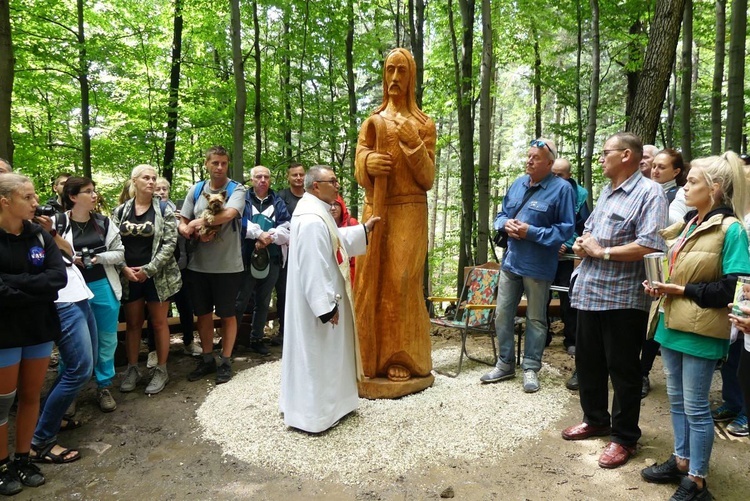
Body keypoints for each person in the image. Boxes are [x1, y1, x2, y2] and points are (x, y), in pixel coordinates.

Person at [640, 151, 750, 501]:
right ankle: (682, 459)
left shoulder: (731, 230)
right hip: (671, 321)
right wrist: (661, 283)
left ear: (715, 188)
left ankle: (698, 481)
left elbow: (736, 285)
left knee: (696, 406)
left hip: (702, 329)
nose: (684, 186)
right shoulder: (691, 221)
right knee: (676, 400)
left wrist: (680, 289)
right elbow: (684, 271)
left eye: (691, 181)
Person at [561, 132, 667, 470]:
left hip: (622, 298)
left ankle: (624, 437)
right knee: (588, 363)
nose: (601, 158)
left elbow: (650, 245)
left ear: (626, 155)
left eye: (606, 152)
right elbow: (590, 234)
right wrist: (582, 244)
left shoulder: (650, 193)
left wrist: (602, 252)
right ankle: (595, 420)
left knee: (623, 370)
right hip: (590, 293)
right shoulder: (607, 192)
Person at [354, 48, 436, 393]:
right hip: (376, 208)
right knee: (371, 281)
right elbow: (360, 163)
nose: (395, 78)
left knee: (402, 280)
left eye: (402, 71)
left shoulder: (423, 124)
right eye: (390, 70)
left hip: (410, 210)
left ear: (412, 77)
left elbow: (428, 178)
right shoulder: (372, 121)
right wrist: (368, 162)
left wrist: (412, 142)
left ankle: (402, 357)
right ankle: (367, 357)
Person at [280, 166, 379, 433]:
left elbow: (333, 241)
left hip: (319, 300)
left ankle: (336, 406)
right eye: (332, 181)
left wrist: (363, 230)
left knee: (326, 356)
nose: (337, 186)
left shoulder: (315, 211)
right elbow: (315, 264)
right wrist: (325, 307)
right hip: (317, 307)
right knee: (317, 356)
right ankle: (315, 416)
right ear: (315, 186)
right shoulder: (312, 219)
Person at [479, 139, 575, 393]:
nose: (529, 160)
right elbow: (500, 215)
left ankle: (531, 367)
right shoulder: (518, 183)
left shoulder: (562, 189)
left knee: (536, 319)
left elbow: (565, 230)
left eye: (535, 157)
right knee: (502, 314)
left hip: (539, 266)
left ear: (549, 163)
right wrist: (504, 225)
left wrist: (530, 232)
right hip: (511, 262)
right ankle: (505, 363)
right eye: (529, 156)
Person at [0, 173, 66, 495]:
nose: (36, 202)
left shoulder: (39, 235)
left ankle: (23, 458)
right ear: (5, 201)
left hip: (39, 329)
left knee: (30, 396)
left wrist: (15, 283)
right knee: (1, 403)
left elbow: (59, 278)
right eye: (27, 197)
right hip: (4, 333)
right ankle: (1, 465)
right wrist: (35, 288)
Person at [179, 145, 246, 385]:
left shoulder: (236, 189)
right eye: (215, 163)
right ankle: (207, 358)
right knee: (203, 314)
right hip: (199, 266)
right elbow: (182, 221)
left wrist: (197, 222)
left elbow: (228, 215)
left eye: (224, 163)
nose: (219, 167)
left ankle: (226, 360)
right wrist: (189, 230)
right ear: (207, 164)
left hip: (228, 266)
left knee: (227, 314)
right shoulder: (196, 190)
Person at [30, 215, 94, 465]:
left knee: (79, 366)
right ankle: (40, 440)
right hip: (60, 301)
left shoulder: (36, 227)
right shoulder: (13, 233)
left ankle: (49, 417)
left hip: (79, 293)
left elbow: (70, 252)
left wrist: (51, 233)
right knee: (79, 369)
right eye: (27, 197)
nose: (35, 203)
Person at [114, 165, 182, 396]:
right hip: (129, 276)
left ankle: (161, 369)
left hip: (157, 277)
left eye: (154, 178)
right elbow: (112, 242)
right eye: (146, 178)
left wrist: (149, 269)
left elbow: (170, 243)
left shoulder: (164, 210)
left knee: (159, 323)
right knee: (133, 324)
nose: (151, 182)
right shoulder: (121, 211)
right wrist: (123, 268)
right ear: (134, 180)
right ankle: (133, 369)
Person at [59, 177, 125, 413]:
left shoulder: (104, 223)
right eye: (88, 191)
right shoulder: (58, 223)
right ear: (73, 197)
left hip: (102, 285)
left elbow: (119, 253)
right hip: (70, 292)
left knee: (107, 339)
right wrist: (70, 259)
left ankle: (103, 385)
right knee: (73, 342)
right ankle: (69, 391)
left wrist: (98, 258)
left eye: (94, 191)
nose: (94, 195)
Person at [641, 148, 688, 398]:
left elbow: (678, 229)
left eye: (662, 167)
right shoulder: (646, 190)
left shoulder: (679, 195)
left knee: (653, 319)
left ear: (676, 171)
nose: (655, 170)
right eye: (654, 166)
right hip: (642, 261)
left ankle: (643, 373)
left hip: (665, 265)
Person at [234, 165, 290, 356]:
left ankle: (256, 338)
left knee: (263, 302)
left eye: (266, 177)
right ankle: (231, 341)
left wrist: (269, 238)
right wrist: (258, 235)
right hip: (245, 259)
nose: (263, 180)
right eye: (259, 176)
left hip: (272, 259)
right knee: (240, 302)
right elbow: (238, 222)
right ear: (251, 180)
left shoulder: (278, 201)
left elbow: (287, 227)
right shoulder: (242, 200)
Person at [550, 157, 590, 391]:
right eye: (553, 174)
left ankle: (571, 338)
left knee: (569, 297)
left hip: (568, 255)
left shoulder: (580, 195)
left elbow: (583, 226)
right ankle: (543, 337)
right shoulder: (543, 189)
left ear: (569, 175)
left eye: (561, 175)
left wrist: (565, 243)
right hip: (546, 252)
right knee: (541, 295)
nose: (557, 179)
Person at [154, 176, 198, 356]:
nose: (161, 192)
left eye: (164, 189)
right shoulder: (148, 211)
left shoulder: (180, 210)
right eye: (158, 189)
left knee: (186, 306)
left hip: (182, 267)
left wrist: (183, 223)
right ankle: (154, 350)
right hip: (157, 269)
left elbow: (191, 235)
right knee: (157, 313)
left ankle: (189, 342)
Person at [273, 162, 305, 346]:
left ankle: (305, 331)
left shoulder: (311, 196)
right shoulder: (282, 197)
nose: (298, 178)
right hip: (286, 253)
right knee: (284, 292)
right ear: (288, 177)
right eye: (295, 175)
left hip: (307, 251)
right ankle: (285, 332)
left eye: (301, 174)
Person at [331, 195, 359, 281]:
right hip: (333, 272)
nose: (333, 208)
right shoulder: (323, 225)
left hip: (352, 271)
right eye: (330, 205)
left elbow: (359, 253)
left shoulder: (352, 223)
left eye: (336, 204)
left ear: (342, 206)